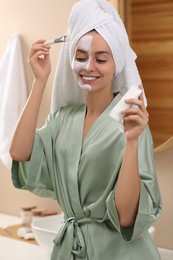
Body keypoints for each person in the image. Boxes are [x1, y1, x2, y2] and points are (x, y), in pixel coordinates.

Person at [10, 0, 162, 259]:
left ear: (117, 65)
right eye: (81, 57)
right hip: (70, 249)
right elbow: (20, 152)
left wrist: (133, 141)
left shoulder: (130, 123)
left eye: (101, 59)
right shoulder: (63, 119)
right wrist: (39, 80)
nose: (89, 66)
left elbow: (127, 217)